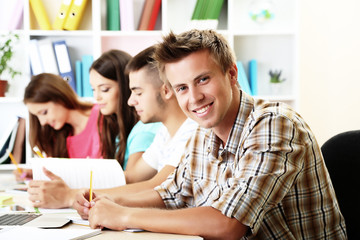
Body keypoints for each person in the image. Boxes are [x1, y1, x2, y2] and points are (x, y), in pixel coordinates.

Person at [85, 30, 347, 239]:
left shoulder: (274, 124)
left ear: (231, 74)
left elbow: (228, 224)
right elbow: (172, 194)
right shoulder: (202, 132)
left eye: (202, 80)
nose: (194, 98)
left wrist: (122, 216)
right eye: (182, 88)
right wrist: (101, 200)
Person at [73, 46, 198, 219]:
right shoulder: (164, 132)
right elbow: (132, 177)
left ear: (166, 91)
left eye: (138, 92)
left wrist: (76, 196)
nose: (131, 101)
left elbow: (157, 187)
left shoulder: (192, 130)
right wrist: (86, 192)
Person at [25, 50, 160, 209]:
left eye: (104, 89)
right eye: (93, 90)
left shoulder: (144, 130)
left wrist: (69, 194)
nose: (96, 98)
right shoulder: (125, 133)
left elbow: (130, 180)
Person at [14, 73, 102, 181]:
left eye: (44, 112)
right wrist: (37, 173)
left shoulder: (102, 118)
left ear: (60, 97)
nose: (42, 122)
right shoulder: (59, 134)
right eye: (37, 116)